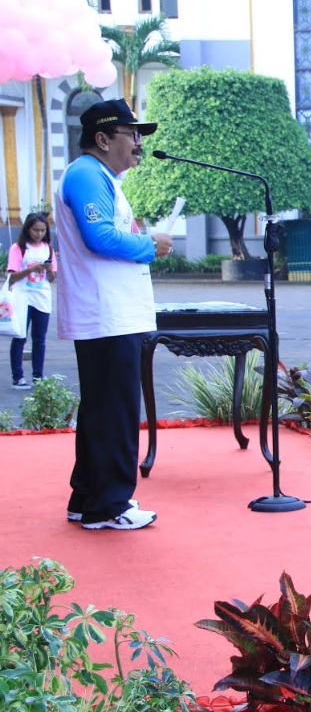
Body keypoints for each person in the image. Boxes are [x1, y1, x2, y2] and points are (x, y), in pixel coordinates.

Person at [54, 98, 172, 531]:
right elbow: (99, 236)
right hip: (106, 314)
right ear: (102, 139)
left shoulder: (99, 175)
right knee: (116, 411)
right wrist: (149, 246)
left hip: (109, 312)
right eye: (132, 134)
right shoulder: (87, 173)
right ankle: (109, 505)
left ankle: (87, 498)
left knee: (104, 409)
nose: (139, 144)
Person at [7, 212, 56, 389]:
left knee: (40, 339)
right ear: (28, 229)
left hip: (42, 298)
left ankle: (38, 376)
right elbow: (11, 277)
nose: (39, 234)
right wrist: (32, 269)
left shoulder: (48, 248)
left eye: (43, 230)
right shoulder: (18, 248)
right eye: (36, 230)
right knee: (20, 336)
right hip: (22, 297)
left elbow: (51, 278)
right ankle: (18, 377)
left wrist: (49, 271)